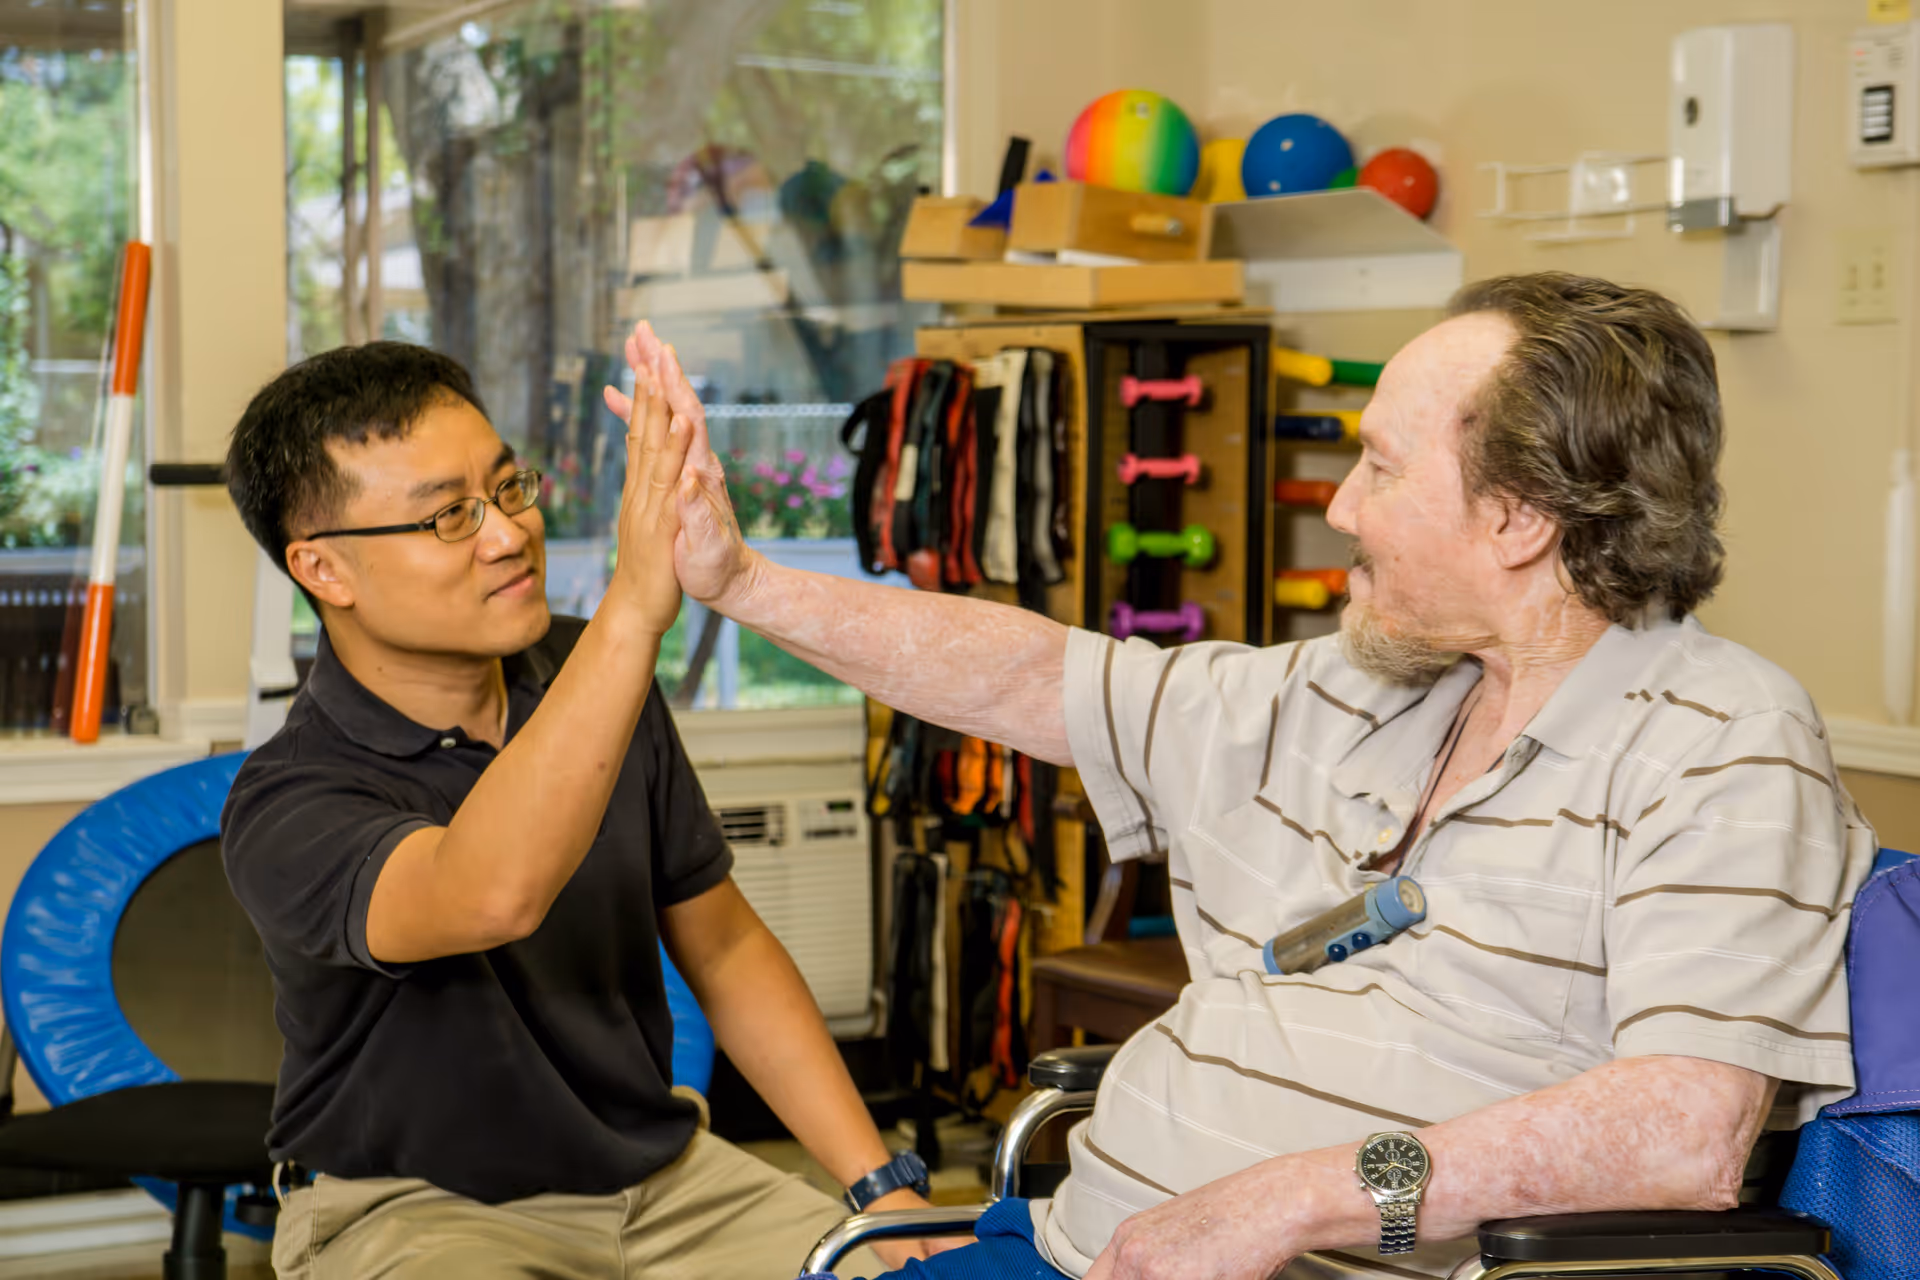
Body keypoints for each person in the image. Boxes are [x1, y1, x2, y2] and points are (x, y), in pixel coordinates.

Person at [612, 272, 1876, 1280]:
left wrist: (1291, 1199)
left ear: (1518, 519)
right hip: (1076, 1243)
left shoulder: (1721, 737)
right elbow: (1031, 676)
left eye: (1382, 467)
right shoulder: (1366, 682)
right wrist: (742, 581)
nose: (1343, 506)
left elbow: (1681, 1133)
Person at [220, 342, 952, 1279]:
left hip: (667, 1181)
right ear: (324, 570)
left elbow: (725, 948)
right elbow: (491, 894)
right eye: (449, 516)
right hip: (416, 1210)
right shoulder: (289, 798)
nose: (507, 534)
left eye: (507, 488)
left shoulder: (590, 673)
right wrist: (633, 609)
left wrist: (878, 1188)